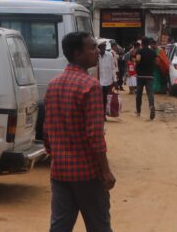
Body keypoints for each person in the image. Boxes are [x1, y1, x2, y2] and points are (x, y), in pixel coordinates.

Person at [44, 31, 116, 232]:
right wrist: (105, 170)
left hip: (60, 172)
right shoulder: (90, 86)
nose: (96, 52)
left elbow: (47, 131)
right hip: (87, 173)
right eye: (92, 47)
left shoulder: (52, 85)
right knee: (99, 225)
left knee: (60, 226)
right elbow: (95, 135)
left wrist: (57, 155)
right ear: (78, 54)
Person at [134, 37, 157, 120]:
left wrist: (136, 62)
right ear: (148, 44)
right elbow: (157, 62)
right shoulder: (153, 52)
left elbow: (138, 60)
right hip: (150, 75)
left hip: (140, 76)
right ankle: (151, 106)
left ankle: (138, 111)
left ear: (142, 44)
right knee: (150, 93)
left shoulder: (139, 51)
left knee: (139, 94)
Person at [97, 42, 117, 119]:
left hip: (107, 81)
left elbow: (113, 68)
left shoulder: (109, 55)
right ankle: (100, 114)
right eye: (102, 47)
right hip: (98, 81)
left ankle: (104, 114)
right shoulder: (96, 56)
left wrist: (115, 80)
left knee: (105, 98)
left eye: (104, 47)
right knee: (99, 99)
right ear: (99, 48)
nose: (103, 49)